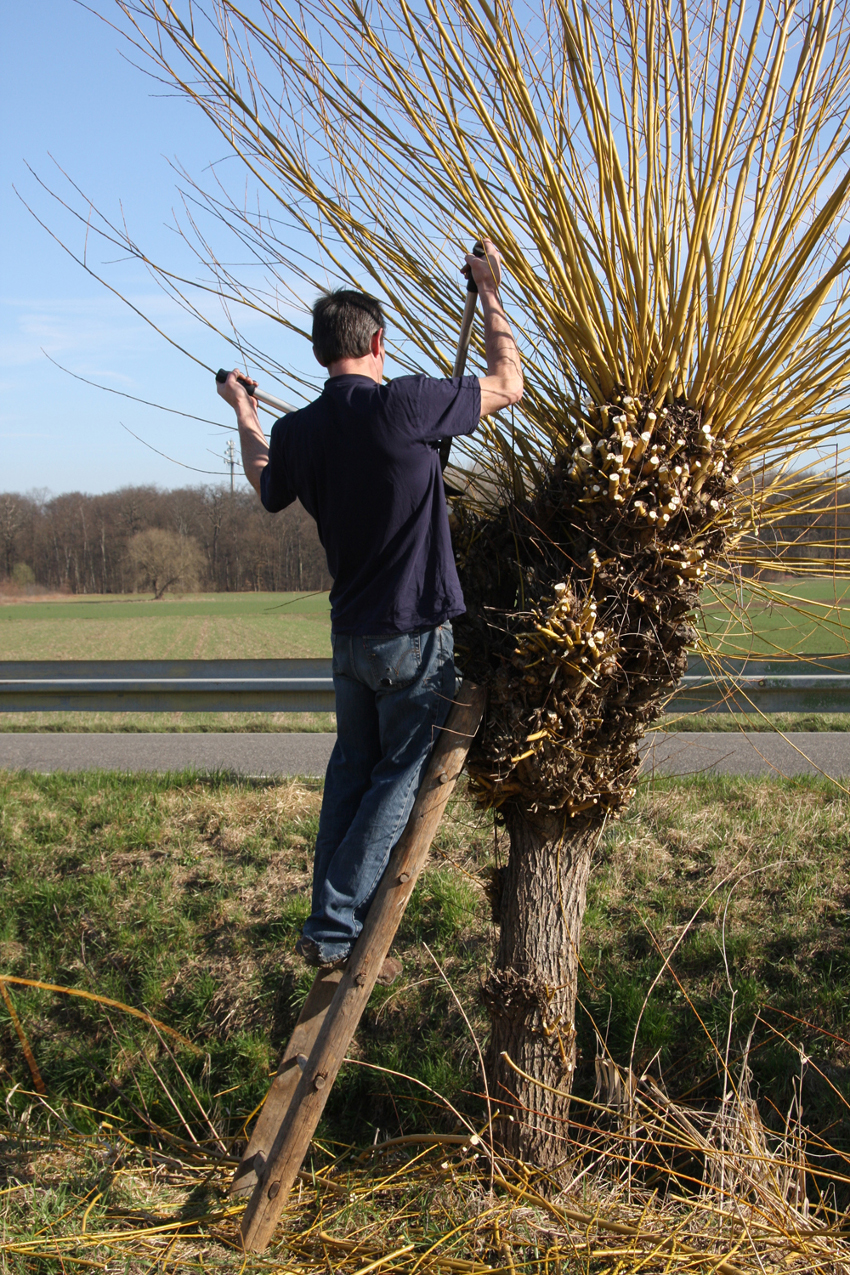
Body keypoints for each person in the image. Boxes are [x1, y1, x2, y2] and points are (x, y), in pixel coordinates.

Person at [217, 239, 522, 978]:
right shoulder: (407, 404)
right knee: (399, 773)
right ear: (378, 343)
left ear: (323, 352)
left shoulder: (301, 432)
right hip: (412, 635)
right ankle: (336, 919)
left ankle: (330, 926)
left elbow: (264, 479)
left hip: (349, 637)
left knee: (351, 770)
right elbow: (508, 382)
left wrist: (244, 407)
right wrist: (488, 292)